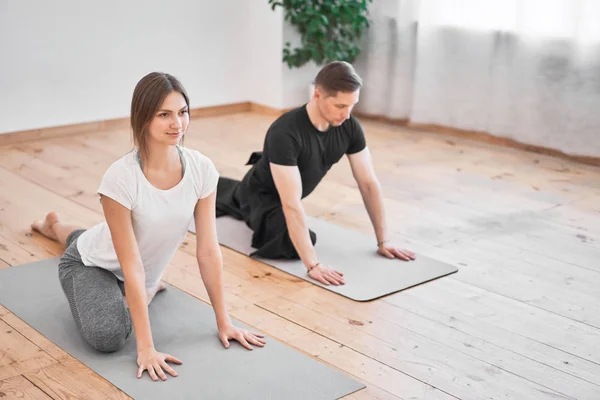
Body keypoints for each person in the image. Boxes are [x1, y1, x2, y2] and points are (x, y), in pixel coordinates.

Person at [31, 72, 265, 382]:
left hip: (126, 257)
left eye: (182, 113)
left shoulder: (201, 169)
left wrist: (225, 323)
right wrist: (147, 348)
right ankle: (59, 229)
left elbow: (208, 251)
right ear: (143, 119)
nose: (177, 123)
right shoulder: (120, 177)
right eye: (164, 114)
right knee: (108, 337)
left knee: (105, 239)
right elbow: (131, 266)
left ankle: (58, 225)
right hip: (91, 263)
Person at [216, 61, 416, 287]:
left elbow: (368, 183)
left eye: (352, 106)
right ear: (318, 94)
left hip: (284, 191)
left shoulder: (349, 126)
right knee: (294, 241)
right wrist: (312, 265)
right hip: (260, 195)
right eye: (340, 106)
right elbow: (290, 204)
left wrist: (383, 240)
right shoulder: (285, 132)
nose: (347, 114)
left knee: (232, 195)